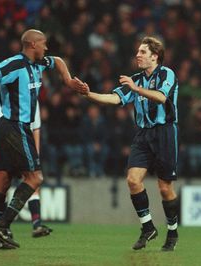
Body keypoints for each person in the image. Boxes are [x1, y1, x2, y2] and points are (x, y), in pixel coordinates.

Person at [0, 29, 86, 249]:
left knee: (3, 181)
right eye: (43, 43)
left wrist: (67, 80)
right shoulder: (16, 64)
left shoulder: (40, 62)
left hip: (8, 128)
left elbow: (58, 61)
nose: (46, 48)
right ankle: (2, 226)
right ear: (32, 45)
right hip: (14, 126)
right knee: (35, 178)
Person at [76, 37, 179, 251]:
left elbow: (160, 97)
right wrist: (88, 94)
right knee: (133, 180)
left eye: (142, 52)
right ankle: (148, 227)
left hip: (164, 134)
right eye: (138, 51)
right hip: (143, 135)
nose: (137, 55)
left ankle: (172, 230)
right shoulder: (135, 79)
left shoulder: (167, 74)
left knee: (165, 187)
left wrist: (136, 89)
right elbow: (114, 99)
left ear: (155, 56)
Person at [0, 92, 53, 237]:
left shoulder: (32, 97)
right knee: (4, 184)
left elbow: (36, 127)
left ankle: (35, 224)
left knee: (33, 181)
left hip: (26, 144)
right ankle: (2, 226)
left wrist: (35, 153)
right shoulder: (0, 97)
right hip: (8, 144)